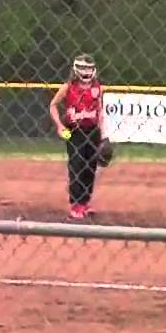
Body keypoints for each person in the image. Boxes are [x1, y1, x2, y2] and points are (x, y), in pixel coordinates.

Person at [49, 54, 109, 220]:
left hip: (93, 131)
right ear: (76, 69)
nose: (86, 71)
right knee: (76, 166)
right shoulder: (69, 87)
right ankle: (75, 204)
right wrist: (59, 126)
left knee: (90, 168)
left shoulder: (97, 88)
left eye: (89, 68)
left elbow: (100, 111)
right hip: (73, 131)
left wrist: (104, 136)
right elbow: (53, 105)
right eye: (83, 68)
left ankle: (85, 202)